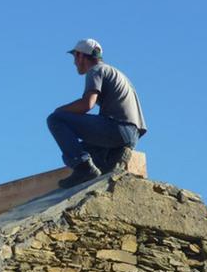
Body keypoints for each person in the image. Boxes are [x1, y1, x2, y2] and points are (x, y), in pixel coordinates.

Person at [47, 39, 147, 188]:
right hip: (131, 135)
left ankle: (84, 168)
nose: (74, 62)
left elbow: (87, 104)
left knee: (55, 119)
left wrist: (59, 111)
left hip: (117, 128)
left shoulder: (95, 70)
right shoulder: (114, 72)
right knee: (86, 152)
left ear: (81, 56)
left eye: (75, 57)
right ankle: (112, 157)